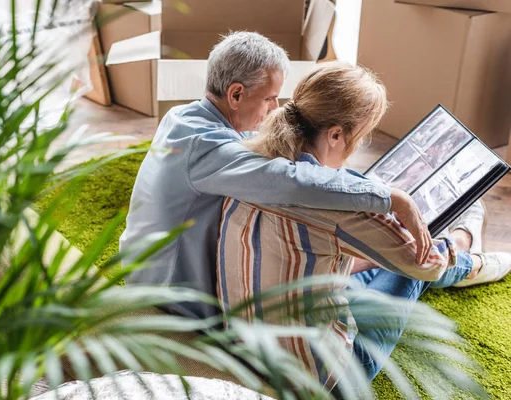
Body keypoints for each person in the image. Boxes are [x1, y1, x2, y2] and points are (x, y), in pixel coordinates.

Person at [216, 61, 511, 391]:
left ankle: (453, 253)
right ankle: (466, 250)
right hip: (326, 381)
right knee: (415, 264)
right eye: (362, 136)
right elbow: (424, 266)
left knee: (363, 257)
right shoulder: (342, 206)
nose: (359, 144)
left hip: (242, 355)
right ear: (336, 134)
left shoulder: (242, 162)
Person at [119, 32, 432, 320]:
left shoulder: (182, 117)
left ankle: (447, 256)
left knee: (351, 268)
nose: (275, 108)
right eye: (270, 98)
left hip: (146, 275)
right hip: (175, 304)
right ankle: (455, 254)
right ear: (236, 95)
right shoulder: (208, 148)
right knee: (372, 267)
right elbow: (293, 182)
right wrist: (392, 198)